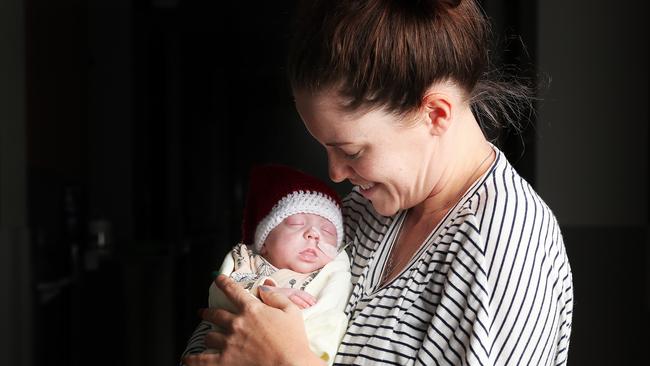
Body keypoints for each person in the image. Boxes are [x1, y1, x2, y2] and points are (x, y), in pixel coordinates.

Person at [183, 0, 573, 365]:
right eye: (326, 149)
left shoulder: (504, 248)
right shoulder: (356, 215)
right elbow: (219, 334)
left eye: (351, 151)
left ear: (435, 114)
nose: (334, 174)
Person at [183, 164, 352, 364]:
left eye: (328, 232)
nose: (314, 234)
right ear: (264, 243)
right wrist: (265, 292)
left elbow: (331, 317)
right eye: (297, 223)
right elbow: (220, 291)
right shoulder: (246, 259)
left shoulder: (336, 270)